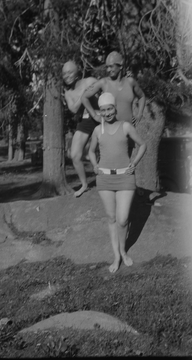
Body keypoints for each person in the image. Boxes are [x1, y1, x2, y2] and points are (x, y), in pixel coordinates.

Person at [88, 92, 147, 273]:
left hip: (125, 177)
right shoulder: (98, 130)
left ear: (115, 108)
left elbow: (142, 145)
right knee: (112, 218)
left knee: (122, 219)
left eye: (110, 109)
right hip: (105, 178)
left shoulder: (126, 126)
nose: (107, 113)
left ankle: (123, 250)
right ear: (100, 111)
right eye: (103, 110)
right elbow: (90, 151)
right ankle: (116, 256)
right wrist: (95, 165)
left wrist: (133, 163)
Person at [81, 51, 146, 156]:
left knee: (126, 166)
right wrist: (94, 115)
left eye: (111, 66)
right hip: (109, 133)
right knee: (109, 165)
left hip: (127, 132)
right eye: (107, 67)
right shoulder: (103, 83)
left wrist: (139, 114)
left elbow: (142, 96)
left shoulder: (130, 82)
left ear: (120, 66)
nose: (108, 70)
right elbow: (84, 97)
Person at [62, 60, 100, 197]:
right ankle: (84, 184)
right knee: (75, 155)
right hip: (86, 119)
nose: (67, 76)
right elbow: (74, 108)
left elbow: (106, 89)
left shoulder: (90, 80)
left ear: (77, 71)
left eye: (69, 72)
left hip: (102, 117)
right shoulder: (68, 93)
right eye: (64, 73)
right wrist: (84, 94)